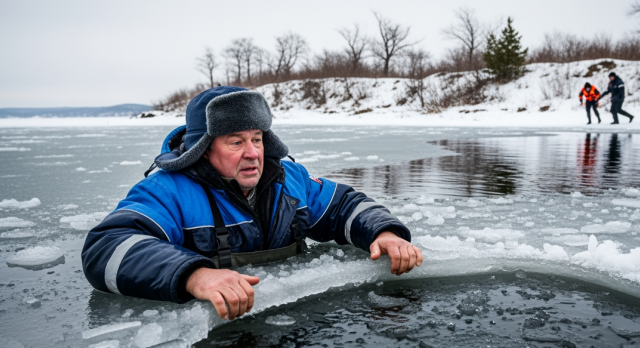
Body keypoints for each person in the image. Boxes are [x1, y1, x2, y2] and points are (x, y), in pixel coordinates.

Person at [82, 86, 423, 321]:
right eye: (236, 142)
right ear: (203, 147)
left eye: (257, 139)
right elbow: (106, 247)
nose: (253, 153)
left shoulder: (289, 179)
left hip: (288, 325)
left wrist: (384, 232)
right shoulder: (168, 191)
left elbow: (342, 205)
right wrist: (194, 275)